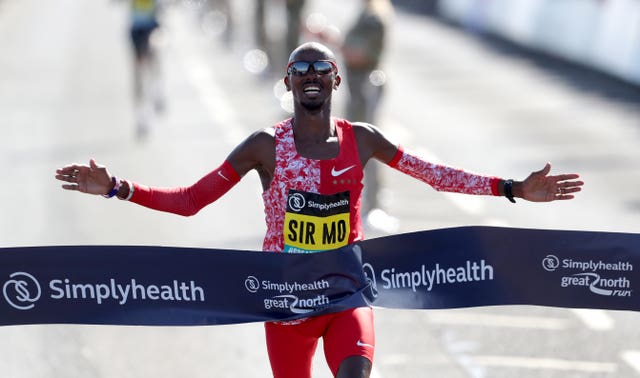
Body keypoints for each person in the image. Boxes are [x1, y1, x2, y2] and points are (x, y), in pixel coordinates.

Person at [55, 42, 584, 378]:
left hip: (346, 294)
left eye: (320, 68)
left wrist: (513, 188)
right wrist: (116, 188)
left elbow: (435, 174)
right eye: (299, 68)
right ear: (287, 83)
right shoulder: (264, 146)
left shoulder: (364, 140)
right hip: (285, 303)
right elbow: (191, 202)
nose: (310, 75)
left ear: (335, 81)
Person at [341, 0, 395, 232]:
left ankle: (373, 205)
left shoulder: (374, 18)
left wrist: (333, 42)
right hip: (360, 88)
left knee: (368, 148)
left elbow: (359, 54)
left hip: (366, 87)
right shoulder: (367, 14)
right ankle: (366, 204)